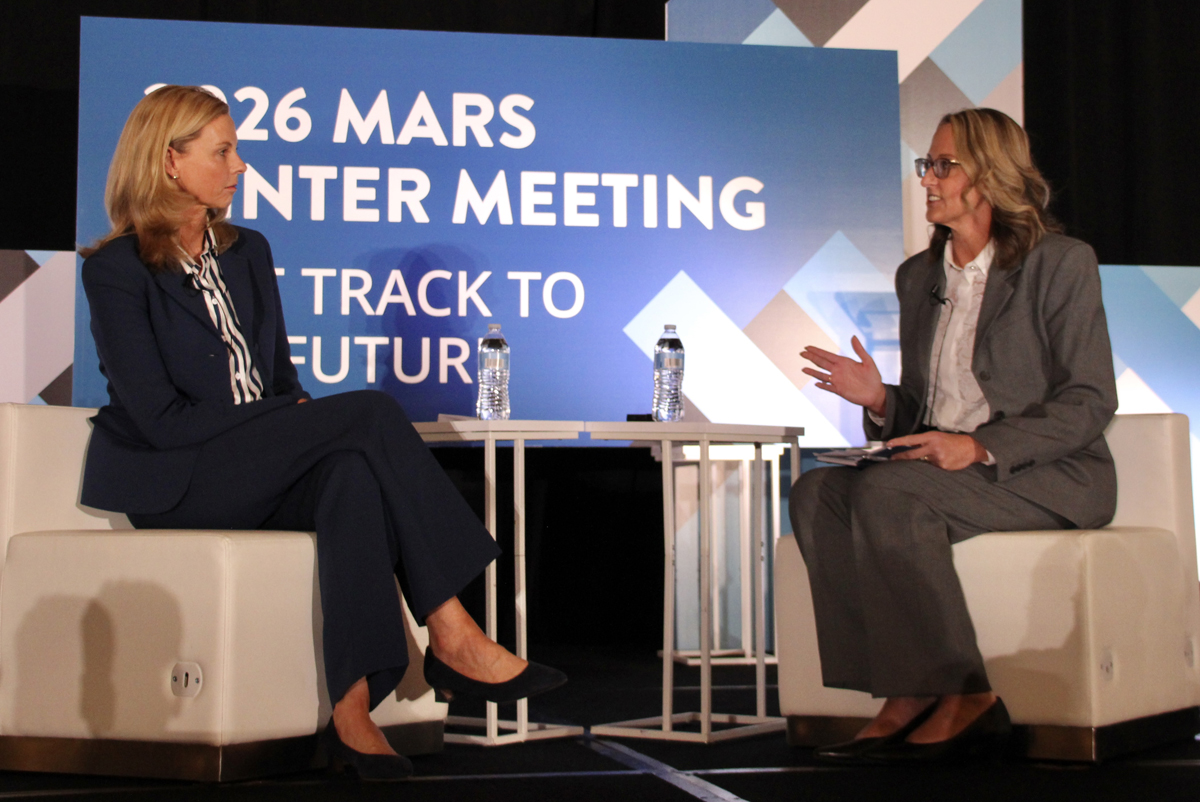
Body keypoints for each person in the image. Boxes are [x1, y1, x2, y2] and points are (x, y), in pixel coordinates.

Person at [78, 85, 565, 780]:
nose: (240, 166)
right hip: (179, 478)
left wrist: (292, 416)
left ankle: (352, 711)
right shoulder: (116, 271)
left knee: (350, 476)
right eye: (223, 151)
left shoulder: (247, 251)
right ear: (169, 162)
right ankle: (452, 630)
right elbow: (161, 421)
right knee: (371, 412)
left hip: (256, 464)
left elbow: (280, 379)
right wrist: (288, 419)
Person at [793, 108, 1117, 763]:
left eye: (944, 166)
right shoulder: (919, 277)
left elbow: (1089, 400)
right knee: (815, 494)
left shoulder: (1059, 263)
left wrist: (979, 446)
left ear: (990, 175)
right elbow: (927, 411)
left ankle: (968, 694)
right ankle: (906, 689)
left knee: (888, 492)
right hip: (947, 472)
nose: (928, 180)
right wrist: (881, 400)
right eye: (927, 165)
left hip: (1049, 475)